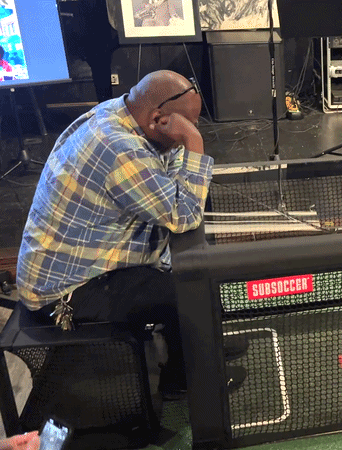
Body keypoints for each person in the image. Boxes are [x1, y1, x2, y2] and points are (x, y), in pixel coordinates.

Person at [15, 70, 243, 400]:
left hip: (87, 262)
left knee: (187, 277)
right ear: (158, 119)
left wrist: (182, 143)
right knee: (186, 293)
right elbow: (184, 215)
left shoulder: (124, 112)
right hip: (65, 292)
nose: (190, 133)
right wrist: (194, 143)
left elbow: (173, 172)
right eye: (187, 126)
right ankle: (182, 381)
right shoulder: (118, 147)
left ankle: (199, 344)